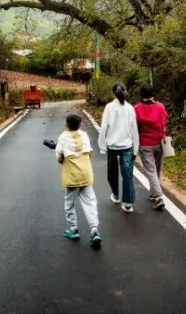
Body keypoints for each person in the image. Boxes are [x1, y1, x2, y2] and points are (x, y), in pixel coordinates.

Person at [55, 113, 102, 247]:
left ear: (66, 125)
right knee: (90, 203)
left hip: (72, 177)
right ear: (80, 125)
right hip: (86, 175)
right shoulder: (84, 135)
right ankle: (94, 230)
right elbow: (90, 153)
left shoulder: (63, 137)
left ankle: (73, 229)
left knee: (69, 203)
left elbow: (59, 158)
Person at [99, 82, 139, 213]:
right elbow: (134, 129)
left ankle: (115, 195)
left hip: (112, 145)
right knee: (127, 174)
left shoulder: (109, 107)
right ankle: (127, 203)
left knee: (112, 172)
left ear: (112, 93)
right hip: (127, 145)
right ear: (125, 92)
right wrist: (136, 148)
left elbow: (104, 127)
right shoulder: (130, 108)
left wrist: (102, 146)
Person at [134, 83, 169, 210]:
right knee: (157, 169)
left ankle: (158, 196)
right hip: (160, 142)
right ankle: (154, 193)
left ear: (141, 94)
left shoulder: (137, 108)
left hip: (145, 143)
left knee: (151, 171)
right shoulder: (160, 106)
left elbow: (135, 127)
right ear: (153, 94)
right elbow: (165, 121)